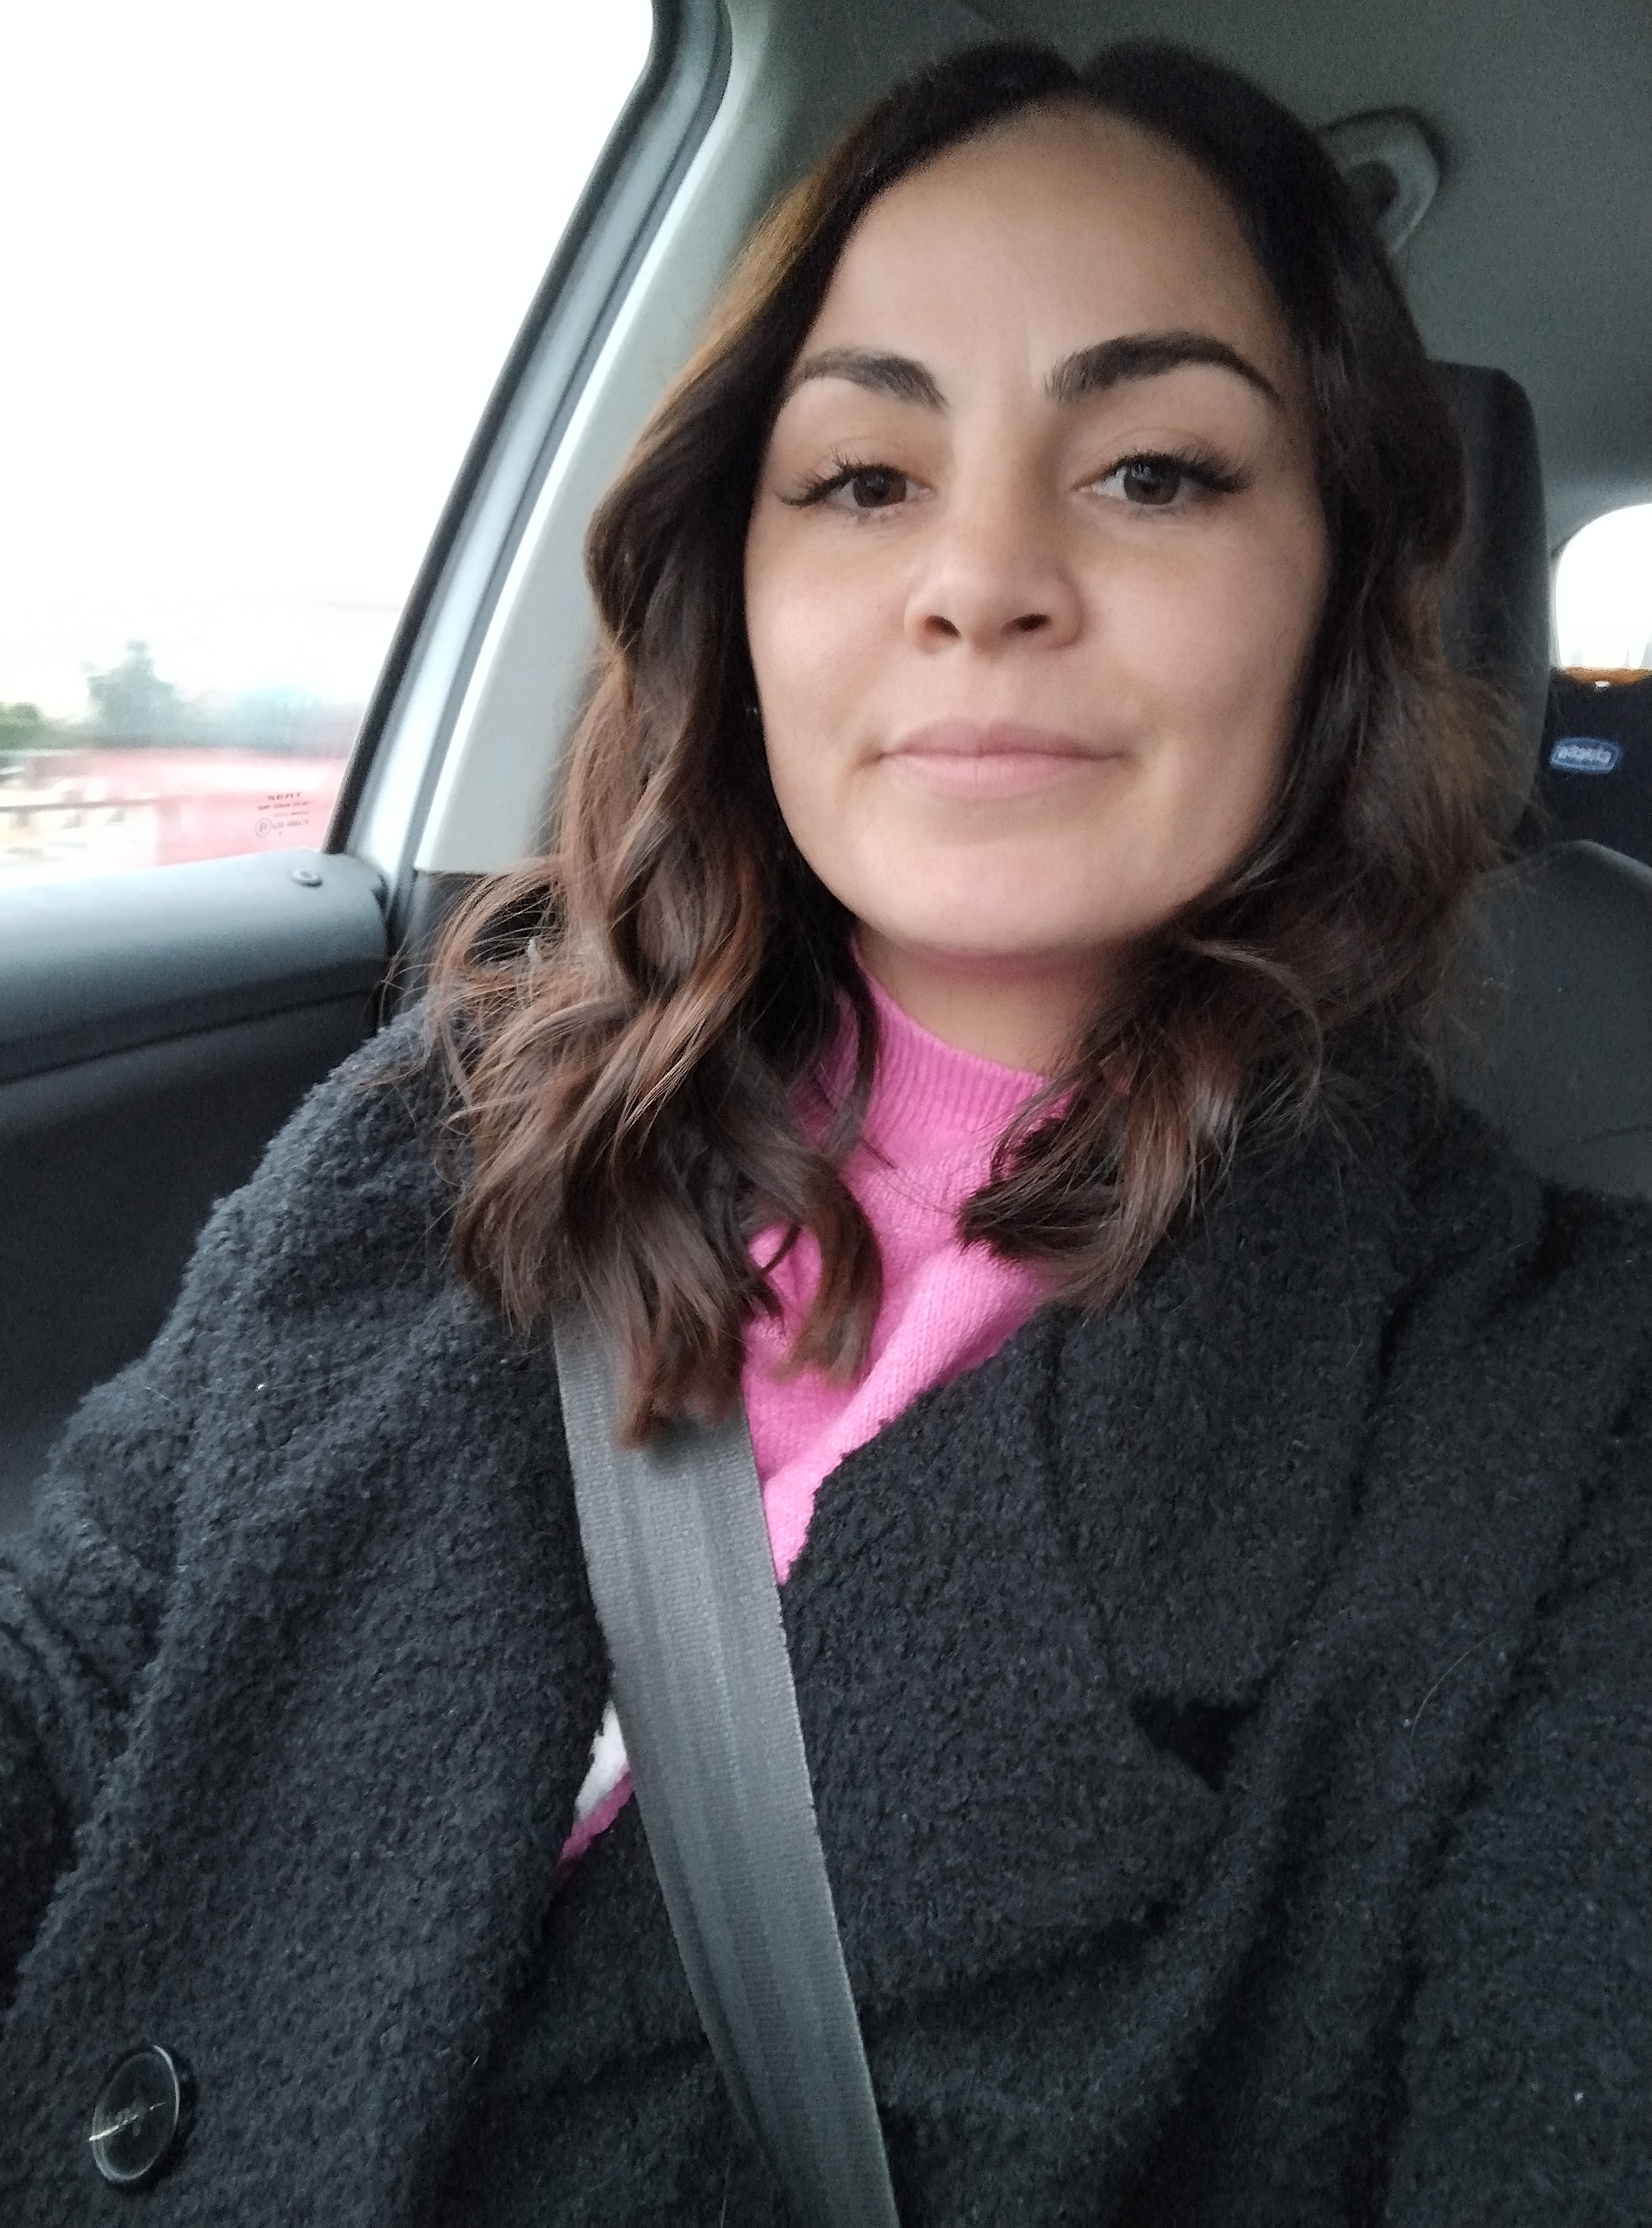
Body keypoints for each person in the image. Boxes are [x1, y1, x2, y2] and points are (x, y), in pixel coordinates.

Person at [2, 37, 1647, 2227]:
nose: (981, 576)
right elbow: (64, 1694)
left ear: (1348, 590)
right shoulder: (437, 1125)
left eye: (1154, 470)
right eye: (863, 476)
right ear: (741, 583)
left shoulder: (1556, 1426)